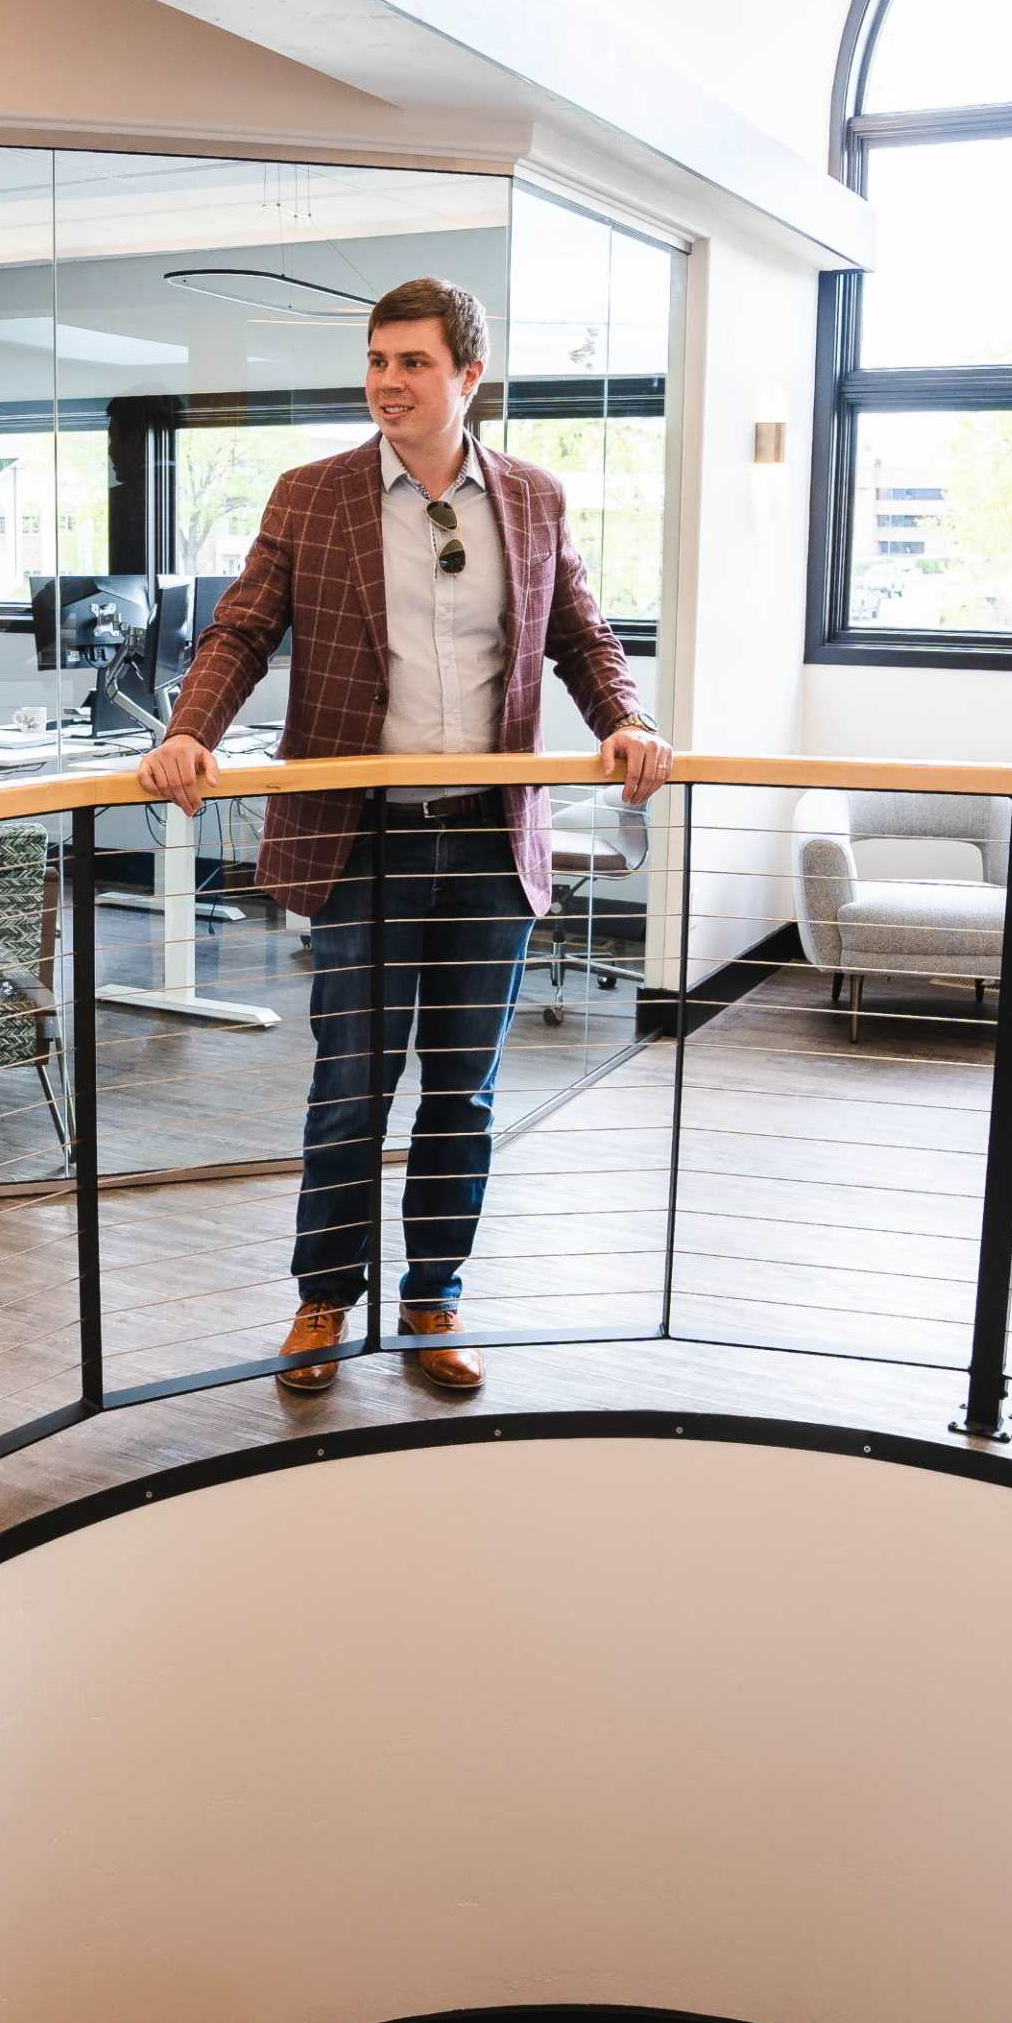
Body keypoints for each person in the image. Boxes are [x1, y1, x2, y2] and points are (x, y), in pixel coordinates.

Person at [141, 278, 669, 1399]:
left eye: (413, 363)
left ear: (468, 377)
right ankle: (325, 1302)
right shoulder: (311, 495)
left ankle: (434, 1295)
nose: (388, 381)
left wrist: (626, 718)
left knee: (463, 1091)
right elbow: (241, 629)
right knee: (350, 1086)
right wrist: (190, 732)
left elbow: (580, 633)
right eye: (378, 361)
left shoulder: (531, 499)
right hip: (362, 842)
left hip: (485, 843)